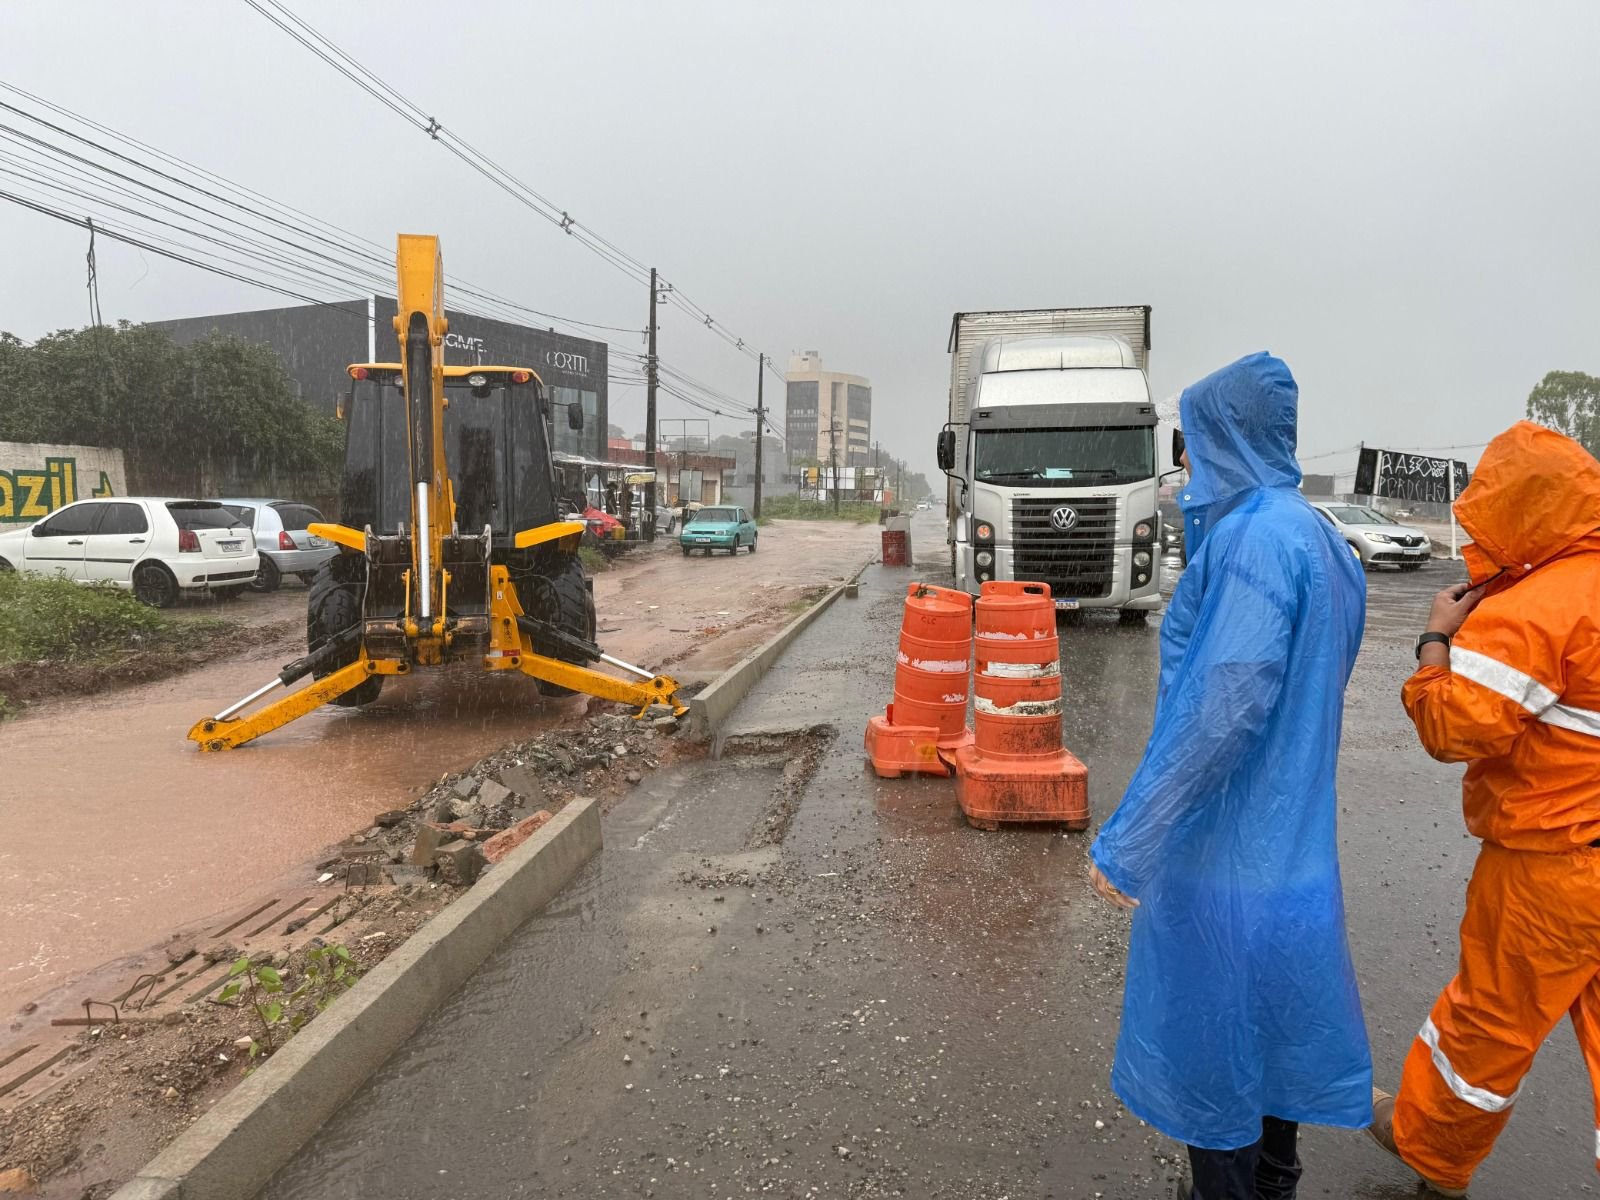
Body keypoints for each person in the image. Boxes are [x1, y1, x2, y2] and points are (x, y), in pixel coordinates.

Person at [1089, 352, 1372, 1200]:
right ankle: (1274, 1183)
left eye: (1195, 442)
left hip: (1225, 857)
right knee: (1276, 1038)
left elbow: (1222, 708)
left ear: (1227, 438)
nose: (1187, 466)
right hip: (1295, 855)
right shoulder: (1322, 539)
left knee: (1214, 1060)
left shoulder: (1251, 540)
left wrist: (1130, 842)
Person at [1367, 421, 1600, 1197]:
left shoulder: (1535, 611)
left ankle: (1431, 1151)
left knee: (1488, 1026)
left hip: (1552, 867)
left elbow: (1454, 729)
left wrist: (1434, 641)